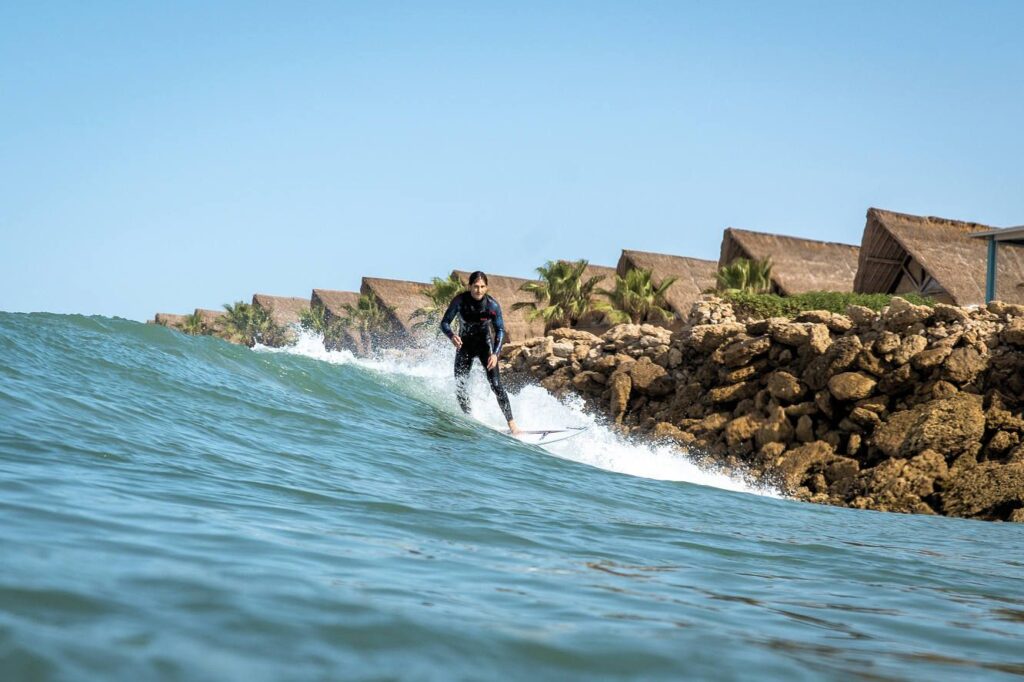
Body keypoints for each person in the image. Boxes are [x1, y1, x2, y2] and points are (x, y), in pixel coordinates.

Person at [440, 271, 521, 435]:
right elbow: (445, 323)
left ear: (486, 288)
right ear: (470, 286)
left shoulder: (492, 306)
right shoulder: (460, 301)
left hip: (485, 347)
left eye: (482, 287)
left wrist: (495, 354)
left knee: (496, 385)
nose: (478, 290)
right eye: (475, 286)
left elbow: (499, 330)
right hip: (464, 346)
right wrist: (451, 336)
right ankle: (468, 417)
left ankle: (513, 425)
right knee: (460, 385)